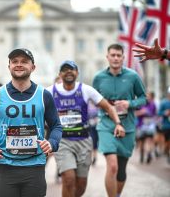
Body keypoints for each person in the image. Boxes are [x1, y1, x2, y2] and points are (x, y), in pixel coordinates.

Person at [0, 48, 62, 197]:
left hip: (35, 164)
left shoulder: (44, 95)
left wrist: (52, 142)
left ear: (33, 67)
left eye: (24, 61)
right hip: (5, 165)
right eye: (15, 61)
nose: (19, 64)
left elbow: (56, 125)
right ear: (9, 66)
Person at [47, 60, 124, 197]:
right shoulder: (50, 91)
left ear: (77, 73)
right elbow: (35, 107)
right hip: (62, 141)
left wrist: (118, 123)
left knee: (81, 184)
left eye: (72, 69)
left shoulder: (85, 90)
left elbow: (108, 107)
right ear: (60, 74)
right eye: (65, 69)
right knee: (68, 178)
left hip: (83, 141)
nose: (69, 72)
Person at [93, 44, 147, 197]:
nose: (116, 58)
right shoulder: (98, 78)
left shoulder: (133, 76)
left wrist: (130, 103)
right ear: (107, 57)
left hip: (127, 127)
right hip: (106, 125)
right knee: (112, 166)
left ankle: (117, 195)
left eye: (118, 55)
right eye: (113, 55)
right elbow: (94, 99)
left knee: (121, 170)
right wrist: (107, 107)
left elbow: (144, 99)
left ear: (123, 58)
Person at [135, 92, 157, 164]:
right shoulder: (140, 104)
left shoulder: (153, 104)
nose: (147, 97)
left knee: (148, 141)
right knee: (142, 142)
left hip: (149, 126)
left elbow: (154, 114)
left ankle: (148, 154)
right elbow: (135, 113)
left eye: (149, 96)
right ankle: (142, 155)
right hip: (141, 125)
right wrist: (141, 112)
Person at [158, 87, 170, 164]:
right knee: (167, 142)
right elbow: (159, 113)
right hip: (166, 126)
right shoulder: (164, 103)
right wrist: (164, 113)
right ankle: (167, 151)